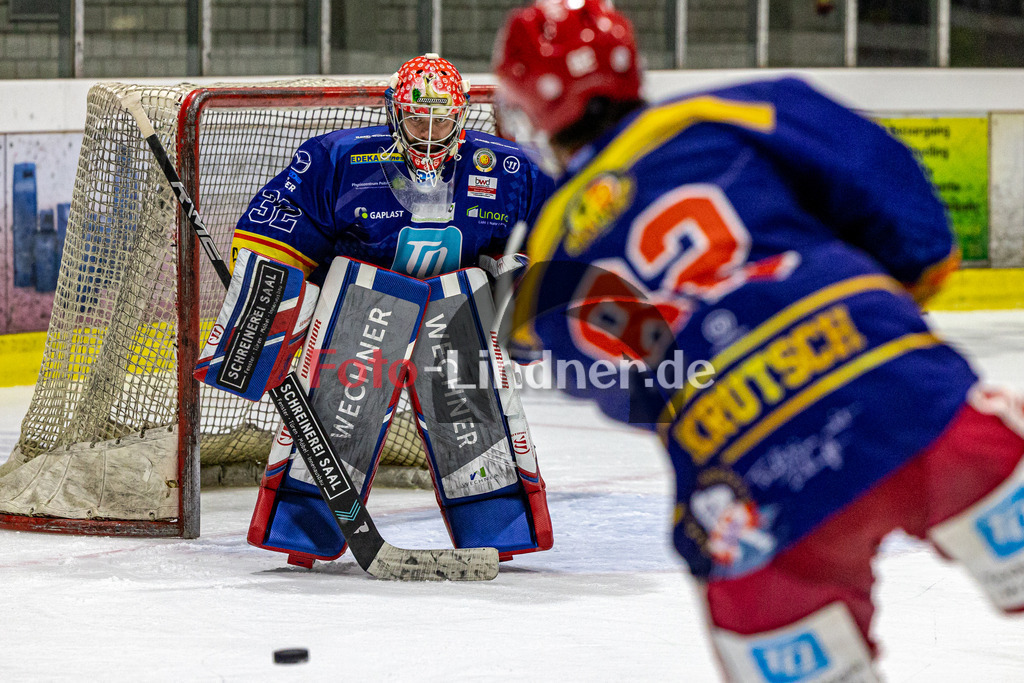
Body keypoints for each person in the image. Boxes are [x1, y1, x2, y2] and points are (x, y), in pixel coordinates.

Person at [493, 1, 1024, 680]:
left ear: (530, 109)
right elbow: (915, 222)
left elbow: (617, 393)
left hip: (745, 494)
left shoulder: (547, 256)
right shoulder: (739, 110)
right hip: (911, 406)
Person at [229, 53, 555, 567]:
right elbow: (270, 239)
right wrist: (264, 328)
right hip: (362, 307)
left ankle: (498, 530)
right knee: (337, 419)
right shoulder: (337, 160)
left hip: (456, 315)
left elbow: (556, 241)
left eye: (441, 119)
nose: (429, 132)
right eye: (417, 118)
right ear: (393, 113)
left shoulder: (510, 170)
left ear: (462, 115)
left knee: (475, 425)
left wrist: (528, 310)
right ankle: (302, 533)